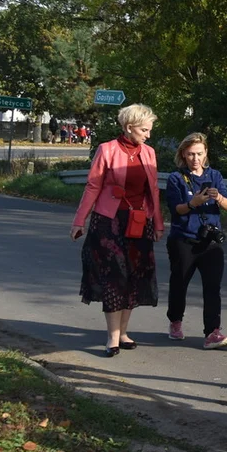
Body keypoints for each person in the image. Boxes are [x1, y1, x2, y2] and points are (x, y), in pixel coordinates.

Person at [70, 103, 164, 357]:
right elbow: (92, 186)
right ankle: (112, 337)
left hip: (139, 220)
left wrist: (157, 223)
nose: (148, 134)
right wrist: (79, 221)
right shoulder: (107, 150)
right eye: (144, 130)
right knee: (114, 276)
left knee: (133, 275)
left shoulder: (149, 153)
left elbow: (153, 190)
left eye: (149, 130)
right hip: (108, 221)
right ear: (129, 127)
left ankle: (123, 333)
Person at [164, 132, 227, 348]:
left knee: (212, 287)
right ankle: (175, 321)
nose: (195, 159)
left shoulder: (215, 176)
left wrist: (218, 197)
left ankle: (212, 331)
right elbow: (176, 209)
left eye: (199, 154)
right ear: (183, 154)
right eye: (191, 154)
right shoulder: (177, 178)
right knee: (179, 283)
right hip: (184, 239)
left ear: (206, 154)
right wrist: (193, 202)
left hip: (210, 242)